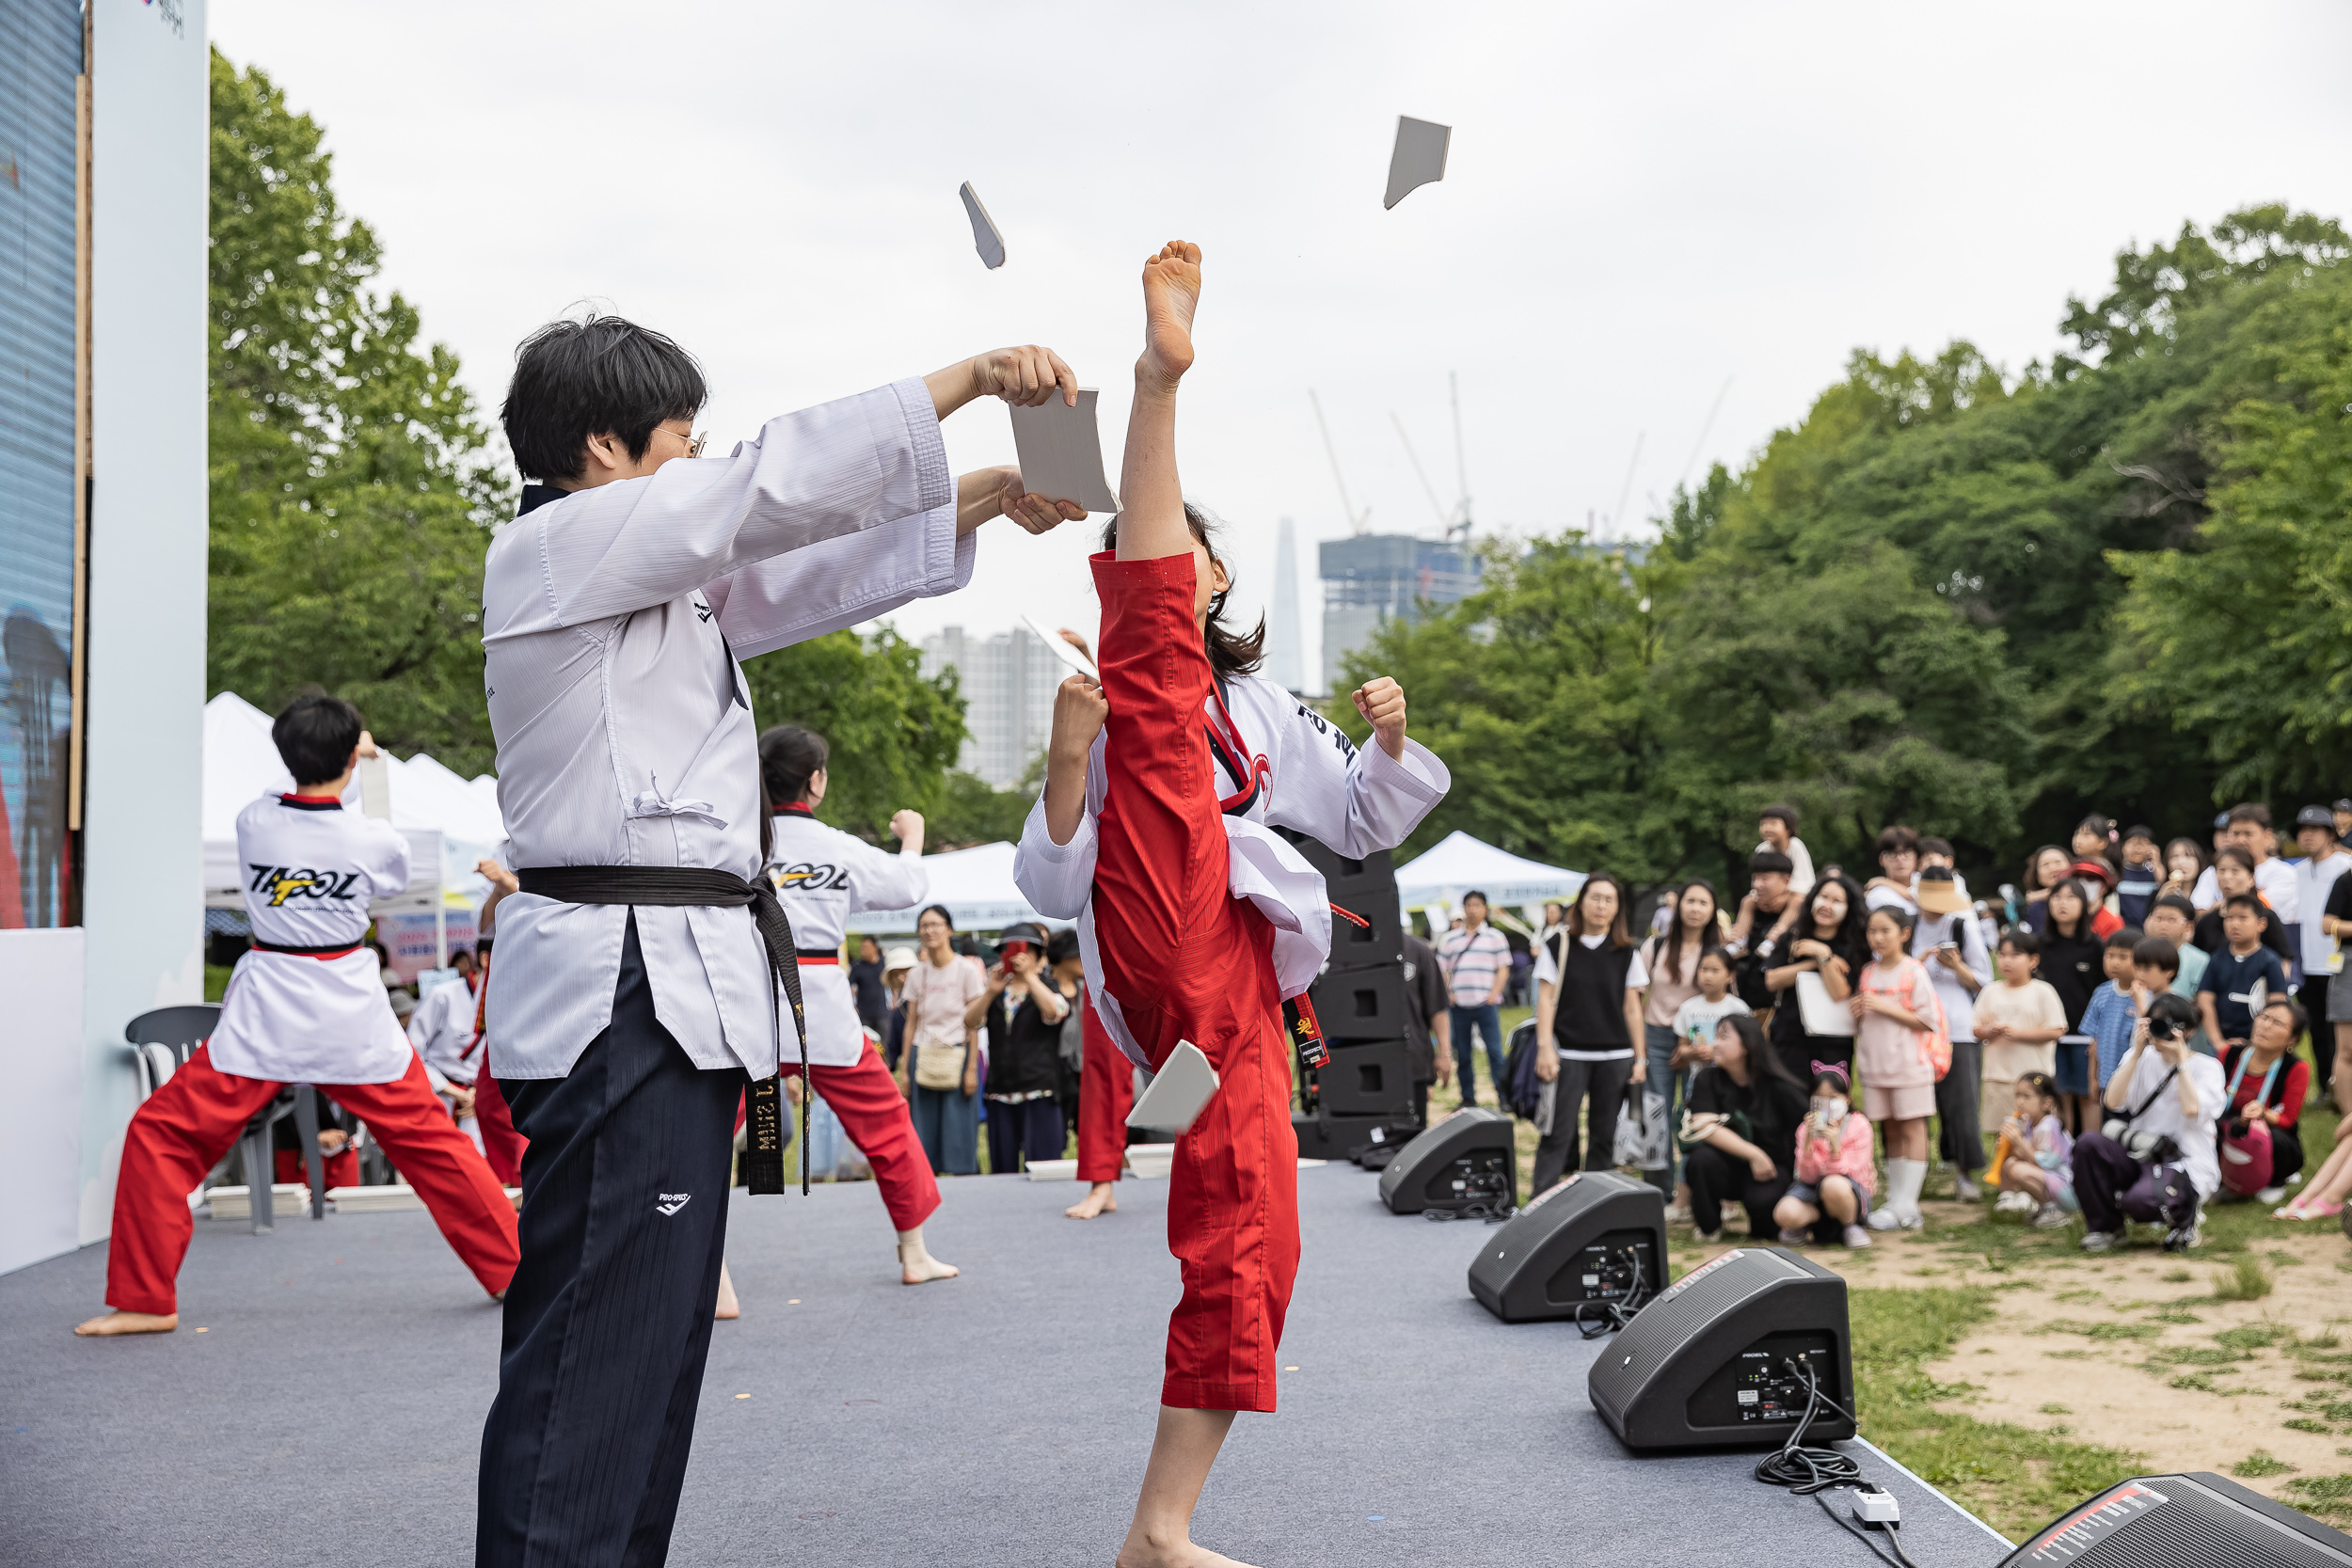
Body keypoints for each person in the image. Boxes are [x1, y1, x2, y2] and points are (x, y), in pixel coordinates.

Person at [469, 308, 1088, 1566]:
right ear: (601, 447)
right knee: (599, 1345)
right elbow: (766, 494)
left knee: (650, 1347)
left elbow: (792, 566)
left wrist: (975, 496)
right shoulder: (559, 542)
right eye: (679, 446)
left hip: (667, 978)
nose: (701, 469)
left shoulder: (646, 581)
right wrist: (968, 379)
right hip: (618, 981)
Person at [1014, 242, 1447, 1568]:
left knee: (1256, 1229)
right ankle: (1159, 380)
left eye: (1189, 545)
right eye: (1157, 545)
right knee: (1148, 694)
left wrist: (1388, 735)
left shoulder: (1264, 705)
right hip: (1156, 926)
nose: (1177, 556)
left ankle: (1162, 1523)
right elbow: (1043, 881)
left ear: (1217, 574)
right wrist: (1068, 755)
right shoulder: (1126, 683)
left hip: (1241, 964)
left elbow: (1366, 824)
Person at [79, 697, 520, 1339]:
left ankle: (146, 1296)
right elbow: (389, 854)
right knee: (435, 1145)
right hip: (348, 1010)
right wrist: (367, 767)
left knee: (161, 1134)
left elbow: (291, 791)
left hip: (270, 1010)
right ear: (350, 756)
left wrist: (338, 755)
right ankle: (512, 1270)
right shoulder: (369, 836)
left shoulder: (256, 820)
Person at [760, 722, 959, 1284]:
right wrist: (912, 836)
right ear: (816, 782)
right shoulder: (835, 848)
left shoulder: (731, 844)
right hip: (818, 1003)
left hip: (741, 1004)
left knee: (699, 1134)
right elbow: (906, 887)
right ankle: (914, 1254)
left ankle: (711, 1276)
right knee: (886, 1122)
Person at [2074, 992, 2224, 1252]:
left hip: (2185, 1161)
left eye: (2166, 1025)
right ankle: (2107, 1228)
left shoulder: (2207, 1067)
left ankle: (2186, 1221)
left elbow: (2191, 1109)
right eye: (2153, 1023)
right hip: (2142, 1152)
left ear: (2188, 1031)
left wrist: (2180, 1062)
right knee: (2088, 1143)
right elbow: (2112, 1101)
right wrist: (2135, 1054)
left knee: (2140, 1201)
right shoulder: (2139, 1058)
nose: (2159, 1032)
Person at [1530, 873, 1646, 1193]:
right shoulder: (1559, 944)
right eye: (1595, 897)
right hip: (1568, 1054)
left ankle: (1593, 1204)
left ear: (1617, 908)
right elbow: (1545, 1000)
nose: (1601, 905)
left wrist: (1640, 1057)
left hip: (1616, 1056)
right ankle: (1542, 1201)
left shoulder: (1627, 951)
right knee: (1557, 1132)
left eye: (1609, 900)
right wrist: (1544, 1047)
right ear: (1581, 902)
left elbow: (1633, 1008)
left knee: (1603, 1136)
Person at [1851, 905, 1942, 1232]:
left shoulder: (1914, 971)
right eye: (1872, 931)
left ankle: (1909, 1202)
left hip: (1909, 1064)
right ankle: (1895, 1199)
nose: (1877, 937)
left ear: (1904, 934)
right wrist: (1859, 1010)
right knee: (1888, 1129)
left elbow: (1927, 1020)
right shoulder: (1867, 972)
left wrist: (1884, 1007)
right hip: (1875, 1065)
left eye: (1885, 930)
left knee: (1912, 1126)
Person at [1679, 1014, 1809, 1242]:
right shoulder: (1707, 1079)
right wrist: (1753, 1154)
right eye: (1715, 1037)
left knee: (1765, 1228)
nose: (1715, 1043)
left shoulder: (1779, 1086)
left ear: (1747, 1045)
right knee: (1699, 1161)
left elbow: (1809, 1126)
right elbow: (1703, 1126)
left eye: (1723, 1036)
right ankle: (1709, 1228)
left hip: (1771, 1170)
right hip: (1725, 1166)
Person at [1635, 879, 1720, 1199]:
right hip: (1656, 1037)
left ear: (1712, 911)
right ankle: (1658, 1189)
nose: (1695, 908)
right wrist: (1638, 1043)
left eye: (1703, 903)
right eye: (1690, 901)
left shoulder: (1715, 952)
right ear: (1678, 905)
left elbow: (1725, 999)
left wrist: (1695, 1048)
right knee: (1654, 1113)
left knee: (1693, 1114)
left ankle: (1690, 1189)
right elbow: (1634, 995)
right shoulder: (1655, 946)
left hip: (1699, 1042)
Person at [1913, 866, 1991, 1201]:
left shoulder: (1962, 924)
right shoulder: (1906, 924)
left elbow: (1984, 979)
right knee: (1916, 1102)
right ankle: (1913, 1168)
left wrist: (1955, 967)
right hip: (1915, 1023)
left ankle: (1965, 1173)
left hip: (1958, 1025)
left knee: (1962, 1101)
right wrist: (1919, 962)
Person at [972, 920, 1073, 1174]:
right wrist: (989, 992)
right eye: (1010, 949)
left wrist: (1030, 977)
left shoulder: (1048, 987)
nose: (1018, 955)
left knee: (1043, 1169)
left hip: (1040, 1090)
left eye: (1026, 950)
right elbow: (969, 1021)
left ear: (1039, 956)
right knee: (1002, 1171)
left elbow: (1055, 1012)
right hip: (1000, 1092)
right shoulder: (995, 991)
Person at [1664, 949, 1749, 1222]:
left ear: (1729, 976)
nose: (1708, 976)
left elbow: (1750, 1047)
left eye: (1715, 970)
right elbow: (1682, 1049)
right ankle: (1683, 1200)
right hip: (1697, 1086)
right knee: (1692, 1138)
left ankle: (1728, 1202)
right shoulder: (1690, 1008)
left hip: (1731, 1085)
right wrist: (1694, 1053)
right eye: (1704, 970)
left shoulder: (1737, 1009)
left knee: (1729, 1136)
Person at [1762, 871, 1867, 1083]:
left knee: (1827, 1107)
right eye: (1823, 897)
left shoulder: (1856, 946)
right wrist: (1813, 962)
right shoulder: (1793, 936)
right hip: (1789, 1036)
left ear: (1849, 908)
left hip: (1833, 1041)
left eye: (1836, 901)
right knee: (1790, 1103)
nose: (1827, 905)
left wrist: (1823, 954)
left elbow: (1840, 992)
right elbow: (1772, 980)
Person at [904, 904, 985, 1175]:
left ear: (949, 929)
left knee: (958, 1123)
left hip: (957, 1054)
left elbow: (973, 1022)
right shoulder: (917, 973)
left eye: (935, 924)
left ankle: (963, 1177)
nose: (929, 930)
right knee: (923, 1124)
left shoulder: (967, 970)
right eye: (924, 925)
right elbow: (911, 1022)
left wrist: (972, 1068)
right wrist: (905, 1068)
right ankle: (928, 1178)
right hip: (923, 1053)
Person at [1973, 928, 2068, 1133]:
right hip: (1998, 1076)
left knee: (2037, 1134)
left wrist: (2018, 1034)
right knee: (2002, 1135)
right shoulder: (1991, 991)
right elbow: (1976, 1029)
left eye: (2015, 955)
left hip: (2034, 1079)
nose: (2007, 961)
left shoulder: (2043, 991)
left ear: (2033, 960)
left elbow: (2057, 1030)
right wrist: (1991, 1031)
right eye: (2003, 955)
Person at [2219, 997, 2311, 1203]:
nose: (2265, 1025)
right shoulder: (2229, 1053)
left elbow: (2287, 1119)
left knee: (2275, 1138)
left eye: (2277, 1023)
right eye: (2264, 1017)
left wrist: (2262, 1114)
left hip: (2266, 1130)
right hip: (2228, 1125)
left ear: (2292, 1040)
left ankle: (2276, 1179)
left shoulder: (2296, 1068)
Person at [1774, 1064, 1876, 1247]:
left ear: (1847, 1098)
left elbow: (1854, 1172)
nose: (1827, 1103)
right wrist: (1808, 1145)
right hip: (1814, 1191)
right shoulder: (1806, 1128)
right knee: (1784, 1212)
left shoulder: (1859, 1125)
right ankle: (1815, 1222)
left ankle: (1851, 1225)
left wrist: (1835, 1149)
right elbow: (1806, 1177)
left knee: (1833, 1184)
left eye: (1833, 1097)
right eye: (1820, 1098)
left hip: (1848, 1194)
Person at [2040, 879, 2106, 1127]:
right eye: (2056, 897)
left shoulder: (2095, 946)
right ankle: (2062, 1155)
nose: (2062, 904)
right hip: (2050, 1034)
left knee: (2088, 1095)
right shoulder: (2041, 946)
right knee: (2059, 1095)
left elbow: (2103, 990)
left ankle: (2092, 1152)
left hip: (2086, 1037)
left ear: (2084, 905)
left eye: (2070, 897)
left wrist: (2098, 1034)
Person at [2290, 805, 2349, 1080]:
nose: (2308, 836)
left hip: (2339, 960)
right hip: (2306, 961)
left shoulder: (2346, 867)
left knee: (2339, 1031)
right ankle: (2326, 1086)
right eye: (2303, 830)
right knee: (2315, 1030)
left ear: (2330, 835)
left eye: (2315, 830)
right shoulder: (2295, 872)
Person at [1438, 891, 1513, 1107]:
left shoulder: (1495, 937)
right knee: (1463, 1053)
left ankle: (1503, 1096)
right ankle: (1468, 1097)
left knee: (1495, 1052)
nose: (1473, 909)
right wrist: (1448, 993)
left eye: (1478, 905)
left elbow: (1503, 969)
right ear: (1464, 908)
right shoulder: (1450, 938)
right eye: (1469, 905)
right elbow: (1442, 970)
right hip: (1459, 1004)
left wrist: (1493, 995)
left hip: (1486, 1005)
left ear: (1485, 909)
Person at [2200, 893, 2294, 1054]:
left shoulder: (2270, 961)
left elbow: (2277, 1003)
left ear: (2261, 924)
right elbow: (2205, 1001)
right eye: (2229, 918)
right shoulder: (2216, 959)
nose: (2234, 924)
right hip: (2219, 1044)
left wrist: (2256, 1042)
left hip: (2258, 1046)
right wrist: (2219, 1043)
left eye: (2243, 918)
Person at [1993, 1072, 2075, 1227]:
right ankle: (2045, 1206)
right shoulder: (2030, 1124)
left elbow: (2047, 1163)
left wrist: (2019, 1141)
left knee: (2016, 1169)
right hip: (2052, 1182)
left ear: (2046, 1103)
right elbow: (2027, 1156)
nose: (2020, 1102)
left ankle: (2055, 1210)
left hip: (2068, 1189)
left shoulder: (2050, 1126)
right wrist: (2007, 1147)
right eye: (2017, 1095)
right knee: (2011, 1164)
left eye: (2026, 1096)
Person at [1726, 848, 1802, 1018]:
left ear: (1786, 880)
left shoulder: (1800, 909)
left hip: (1781, 1009)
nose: (1756, 885)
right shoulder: (1750, 904)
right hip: (1745, 1003)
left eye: (1764, 878)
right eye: (1754, 878)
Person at [2192, 804, 2298, 919]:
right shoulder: (2212, 872)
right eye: (2235, 834)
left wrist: (2219, 906)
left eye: (2248, 834)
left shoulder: (2283, 873)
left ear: (2268, 836)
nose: (2241, 840)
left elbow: (2259, 910)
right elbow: (2199, 914)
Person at [2191, 847, 2292, 962]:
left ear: (2251, 878)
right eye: (2221, 870)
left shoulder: (2266, 917)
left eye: (2235, 871)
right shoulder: (2206, 922)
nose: (2227, 877)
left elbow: (2284, 961)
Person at [2080, 930, 2147, 1099]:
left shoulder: (2147, 995)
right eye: (2109, 955)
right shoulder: (2101, 992)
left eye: (2123, 957)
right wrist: (2092, 1079)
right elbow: (2094, 1042)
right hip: (2107, 1080)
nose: (2114, 962)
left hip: (2139, 1082)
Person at [1401, 927, 1451, 1118]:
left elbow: (1437, 1007)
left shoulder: (1417, 949)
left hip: (1414, 1057)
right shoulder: (1342, 953)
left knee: (1414, 1131)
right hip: (1361, 1061)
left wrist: (1444, 1053)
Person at [1757, 804, 1816, 895]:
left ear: (1788, 829)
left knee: (1796, 900)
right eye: (1763, 823)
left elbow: (1805, 882)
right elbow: (1758, 878)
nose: (1767, 828)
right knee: (1748, 901)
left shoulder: (1796, 846)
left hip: (1793, 894)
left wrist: (1782, 894)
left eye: (1773, 823)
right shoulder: (1761, 849)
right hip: (1768, 894)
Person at [1861, 824, 1920, 912]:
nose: (1900, 859)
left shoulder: (1926, 881)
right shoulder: (1879, 895)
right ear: (1882, 859)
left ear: (1916, 857)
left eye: (1906, 852)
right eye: (1893, 854)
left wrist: (1884, 882)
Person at [2116, 827, 2162, 928]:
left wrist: (2156, 861)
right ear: (2123, 846)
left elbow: (2162, 884)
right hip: (2122, 929)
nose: (2138, 849)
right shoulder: (2117, 872)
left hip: (2147, 930)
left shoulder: (2154, 873)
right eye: (2133, 843)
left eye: (2144, 844)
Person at [2019, 844, 2072, 929]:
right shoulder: (2036, 908)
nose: (2053, 869)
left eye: (2058, 862)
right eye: (2045, 865)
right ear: (2037, 875)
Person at [849, 933, 890, 1037]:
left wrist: (894, 998)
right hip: (864, 1014)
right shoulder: (857, 966)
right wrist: (852, 1005)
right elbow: (849, 988)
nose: (863, 950)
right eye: (862, 948)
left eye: (866, 947)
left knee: (884, 1045)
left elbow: (891, 982)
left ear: (875, 948)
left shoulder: (884, 963)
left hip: (882, 1013)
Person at [2160, 836, 2208, 907]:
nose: (2181, 862)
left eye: (2188, 855)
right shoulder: (2159, 893)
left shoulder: (2211, 892)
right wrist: (2161, 900)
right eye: (2175, 856)